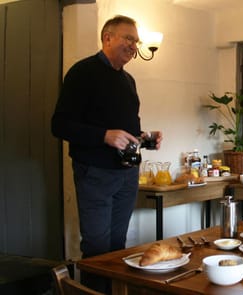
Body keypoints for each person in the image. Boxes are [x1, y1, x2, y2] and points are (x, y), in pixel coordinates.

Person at [51, 15, 162, 293]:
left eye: (135, 41)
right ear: (107, 38)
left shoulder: (129, 81)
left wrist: (146, 139)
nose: (133, 45)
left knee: (116, 245)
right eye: (128, 38)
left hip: (127, 174)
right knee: (98, 247)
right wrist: (104, 135)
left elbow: (127, 133)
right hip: (96, 173)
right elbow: (59, 125)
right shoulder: (82, 72)